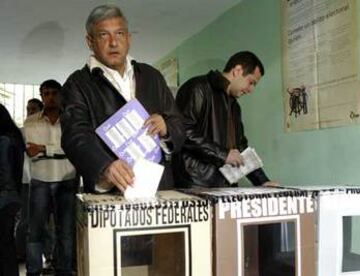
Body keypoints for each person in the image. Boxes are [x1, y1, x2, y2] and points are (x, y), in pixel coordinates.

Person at [60, 4, 184, 193]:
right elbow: (75, 136)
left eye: (119, 34)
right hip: (110, 193)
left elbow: (179, 125)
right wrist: (105, 166)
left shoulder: (152, 76)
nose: (113, 42)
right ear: (90, 41)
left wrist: (167, 128)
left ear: (129, 38)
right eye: (103, 35)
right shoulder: (77, 83)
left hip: (159, 187)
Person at [173, 51, 278, 188]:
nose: (251, 89)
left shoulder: (235, 106)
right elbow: (181, 131)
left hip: (225, 187)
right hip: (195, 186)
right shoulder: (197, 88)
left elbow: (241, 148)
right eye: (251, 82)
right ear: (237, 70)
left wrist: (262, 181)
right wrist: (223, 155)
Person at [24, 80, 77, 276]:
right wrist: (56, 150)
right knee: (35, 230)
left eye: (55, 93)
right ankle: (34, 270)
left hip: (67, 178)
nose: (51, 97)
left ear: (61, 95)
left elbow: (73, 148)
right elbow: (31, 151)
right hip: (40, 179)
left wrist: (44, 148)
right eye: (46, 93)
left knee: (66, 231)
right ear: (41, 96)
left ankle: (64, 270)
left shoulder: (71, 119)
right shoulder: (31, 122)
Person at [15, 98, 56, 272]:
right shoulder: (22, 131)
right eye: (28, 109)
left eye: (33, 109)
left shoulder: (47, 130)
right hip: (26, 181)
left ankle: (49, 256)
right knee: (28, 222)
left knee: (42, 224)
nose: (30, 112)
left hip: (44, 180)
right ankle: (22, 254)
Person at [0, 104, 24, 276]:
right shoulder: (14, 138)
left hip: (3, 196)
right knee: (6, 243)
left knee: (4, 245)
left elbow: (3, 173)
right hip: (13, 196)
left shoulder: (3, 141)